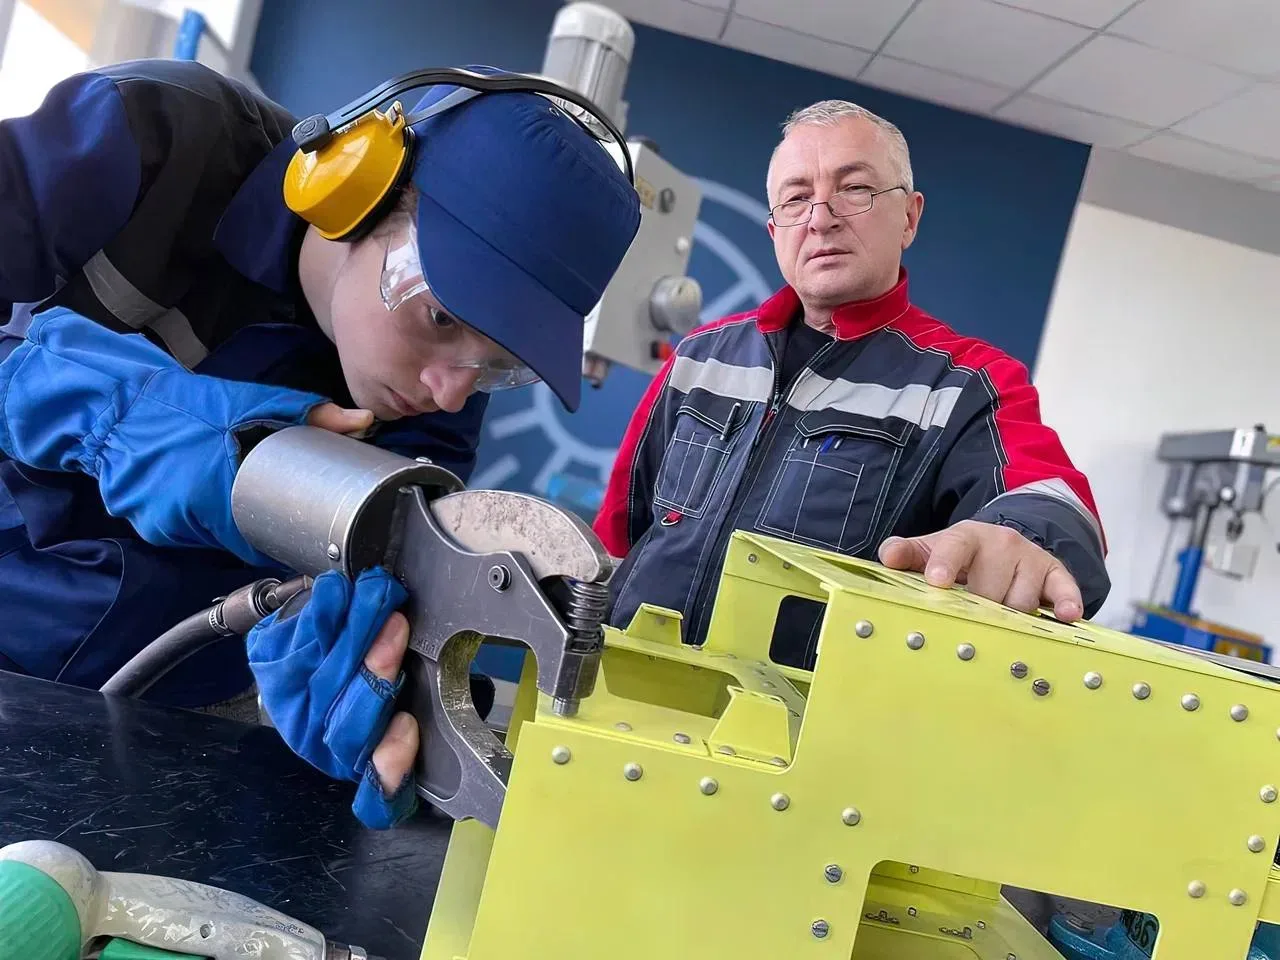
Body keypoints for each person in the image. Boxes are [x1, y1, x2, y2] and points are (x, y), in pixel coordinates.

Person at [0, 58, 640, 827]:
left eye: (498, 365)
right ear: (357, 187)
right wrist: (123, 415)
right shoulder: (151, 139)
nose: (452, 389)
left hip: (141, 726)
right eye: (440, 318)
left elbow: (359, 608)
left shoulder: (433, 408)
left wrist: (355, 684)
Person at [594, 98, 1108, 665]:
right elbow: (622, 529)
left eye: (854, 189)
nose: (820, 217)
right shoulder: (701, 355)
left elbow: (1056, 504)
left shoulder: (965, 383)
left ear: (909, 217)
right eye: (796, 198)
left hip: (789, 732)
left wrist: (1019, 541)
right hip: (622, 689)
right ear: (774, 229)